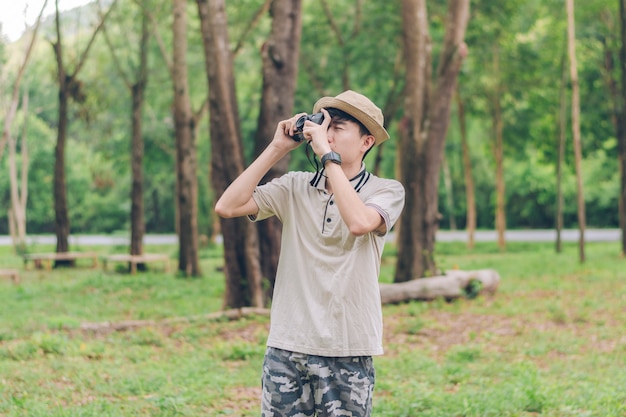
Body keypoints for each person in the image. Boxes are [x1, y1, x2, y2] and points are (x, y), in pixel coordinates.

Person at [215, 90, 405, 417]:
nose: (326, 135)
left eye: (338, 128)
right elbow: (227, 206)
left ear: (366, 142)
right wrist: (277, 148)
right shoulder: (295, 186)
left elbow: (360, 222)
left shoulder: (386, 190)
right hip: (288, 346)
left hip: (348, 347)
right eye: (324, 125)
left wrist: (327, 156)